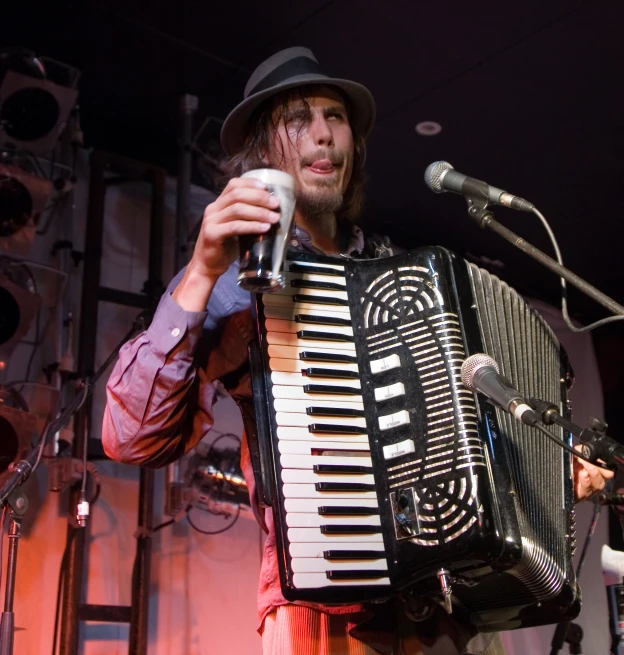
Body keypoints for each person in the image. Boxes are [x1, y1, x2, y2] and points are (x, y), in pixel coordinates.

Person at [102, 46, 612, 655]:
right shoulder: (236, 287)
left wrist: (553, 474)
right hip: (326, 616)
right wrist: (199, 272)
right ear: (262, 154)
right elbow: (130, 437)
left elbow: (469, 440)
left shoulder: (408, 284)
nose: (323, 135)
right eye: (298, 119)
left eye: (335, 117)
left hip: (455, 612)